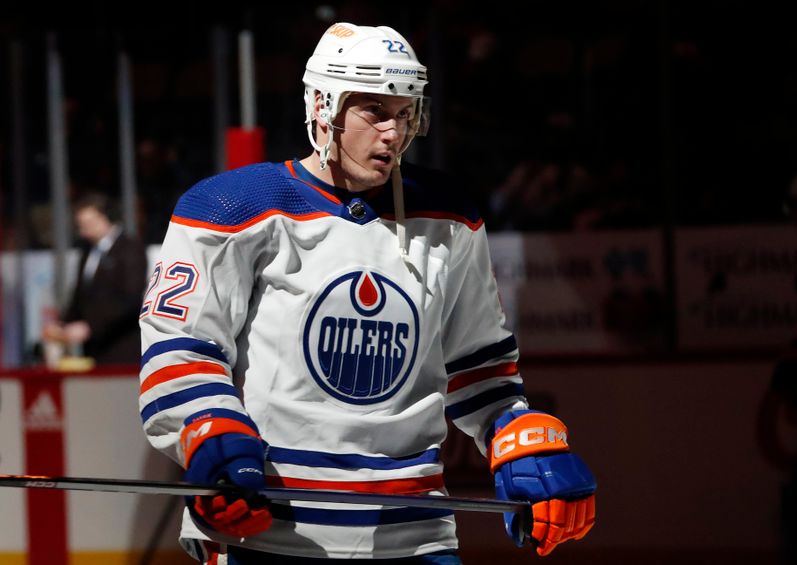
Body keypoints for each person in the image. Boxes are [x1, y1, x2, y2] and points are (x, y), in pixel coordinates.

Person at [138, 23, 596, 564]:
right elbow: (181, 352)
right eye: (374, 111)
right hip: (266, 531)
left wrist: (518, 433)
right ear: (323, 107)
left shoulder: (448, 217)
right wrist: (208, 430)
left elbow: (481, 369)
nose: (392, 134)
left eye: (404, 114)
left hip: (414, 536)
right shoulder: (232, 208)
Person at [43, 193, 148, 365]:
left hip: (122, 348)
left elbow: (130, 299)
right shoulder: (87, 252)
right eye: (81, 225)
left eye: (89, 223)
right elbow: (80, 296)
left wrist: (91, 327)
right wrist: (62, 325)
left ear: (105, 218)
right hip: (94, 351)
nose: (84, 231)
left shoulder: (129, 248)